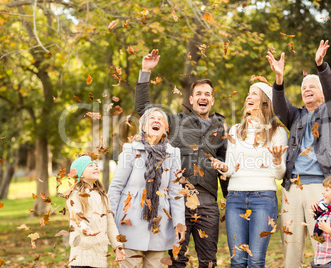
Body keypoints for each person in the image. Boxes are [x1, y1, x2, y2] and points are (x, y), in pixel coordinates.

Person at [135, 49, 227, 268]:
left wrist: (229, 198)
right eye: (199, 94)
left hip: (208, 201)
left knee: (208, 261)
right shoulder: (175, 121)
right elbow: (143, 110)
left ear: (212, 100)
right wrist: (145, 71)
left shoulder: (221, 128)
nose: (203, 97)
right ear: (192, 99)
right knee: (177, 259)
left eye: (207, 94)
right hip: (178, 200)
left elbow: (226, 166)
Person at [266, 40, 331, 268]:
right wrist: (279, 80)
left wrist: (321, 67)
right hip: (292, 188)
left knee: (323, 246)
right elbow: (280, 107)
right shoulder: (296, 116)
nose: (307, 90)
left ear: (322, 92)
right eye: (303, 88)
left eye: (312, 86)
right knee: (291, 247)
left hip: (321, 188)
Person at [210, 82, 288, 267]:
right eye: (247, 93)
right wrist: (221, 166)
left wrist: (277, 159)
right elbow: (230, 169)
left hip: (264, 198)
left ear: (265, 101)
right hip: (235, 198)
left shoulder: (277, 131)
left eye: (254, 93)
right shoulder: (236, 130)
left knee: (255, 260)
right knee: (237, 260)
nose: (248, 97)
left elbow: (279, 174)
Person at [108, 107, 186, 268]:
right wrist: (110, 221)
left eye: (161, 119)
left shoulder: (173, 153)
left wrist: (179, 223)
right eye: (152, 118)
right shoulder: (130, 150)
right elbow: (116, 187)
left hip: (159, 224)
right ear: (143, 127)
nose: (156, 120)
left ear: (166, 128)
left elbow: (176, 191)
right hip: (129, 223)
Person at [66, 155, 125, 267]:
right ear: (81, 174)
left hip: (100, 256)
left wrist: (117, 246)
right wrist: (83, 226)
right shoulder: (74, 194)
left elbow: (110, 224)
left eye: (96, 165)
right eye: (90, 165)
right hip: (81, 254)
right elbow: (76, 213)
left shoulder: (103, 196)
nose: (96, 167)